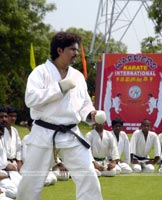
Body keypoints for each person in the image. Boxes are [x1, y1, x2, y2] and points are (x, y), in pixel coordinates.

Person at [17, 32, 103, 200]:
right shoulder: (40, 72)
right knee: (31, 180)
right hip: (44, 132)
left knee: (89, 176)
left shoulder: (77, 76)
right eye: (72, 50)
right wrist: (59, 88)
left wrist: (91, 114)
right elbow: (30, 99)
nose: (76, 53)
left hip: (71, 134)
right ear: (59, 50)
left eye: (77, 50)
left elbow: (84, 103)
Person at [0, 120, 18, 199]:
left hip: (5, 170)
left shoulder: (1, 140)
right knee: (14, 193)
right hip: (2, 173)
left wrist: (8, 164)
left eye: (1, 134)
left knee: (23, 187)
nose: (0, 136)